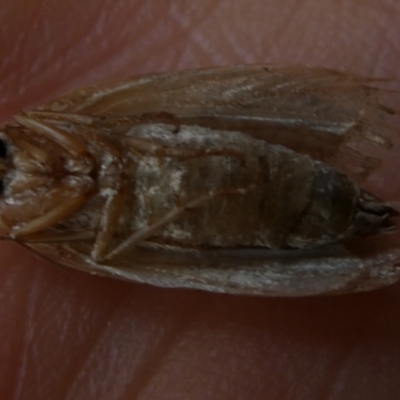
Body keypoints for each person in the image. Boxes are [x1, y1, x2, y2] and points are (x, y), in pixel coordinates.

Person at [1, 1, 400, 398]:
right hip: (185, 212)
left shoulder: (42, 129)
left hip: (230, 165)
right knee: (101, 247)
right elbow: (101, 252)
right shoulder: (29, 224)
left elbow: (94, 121)